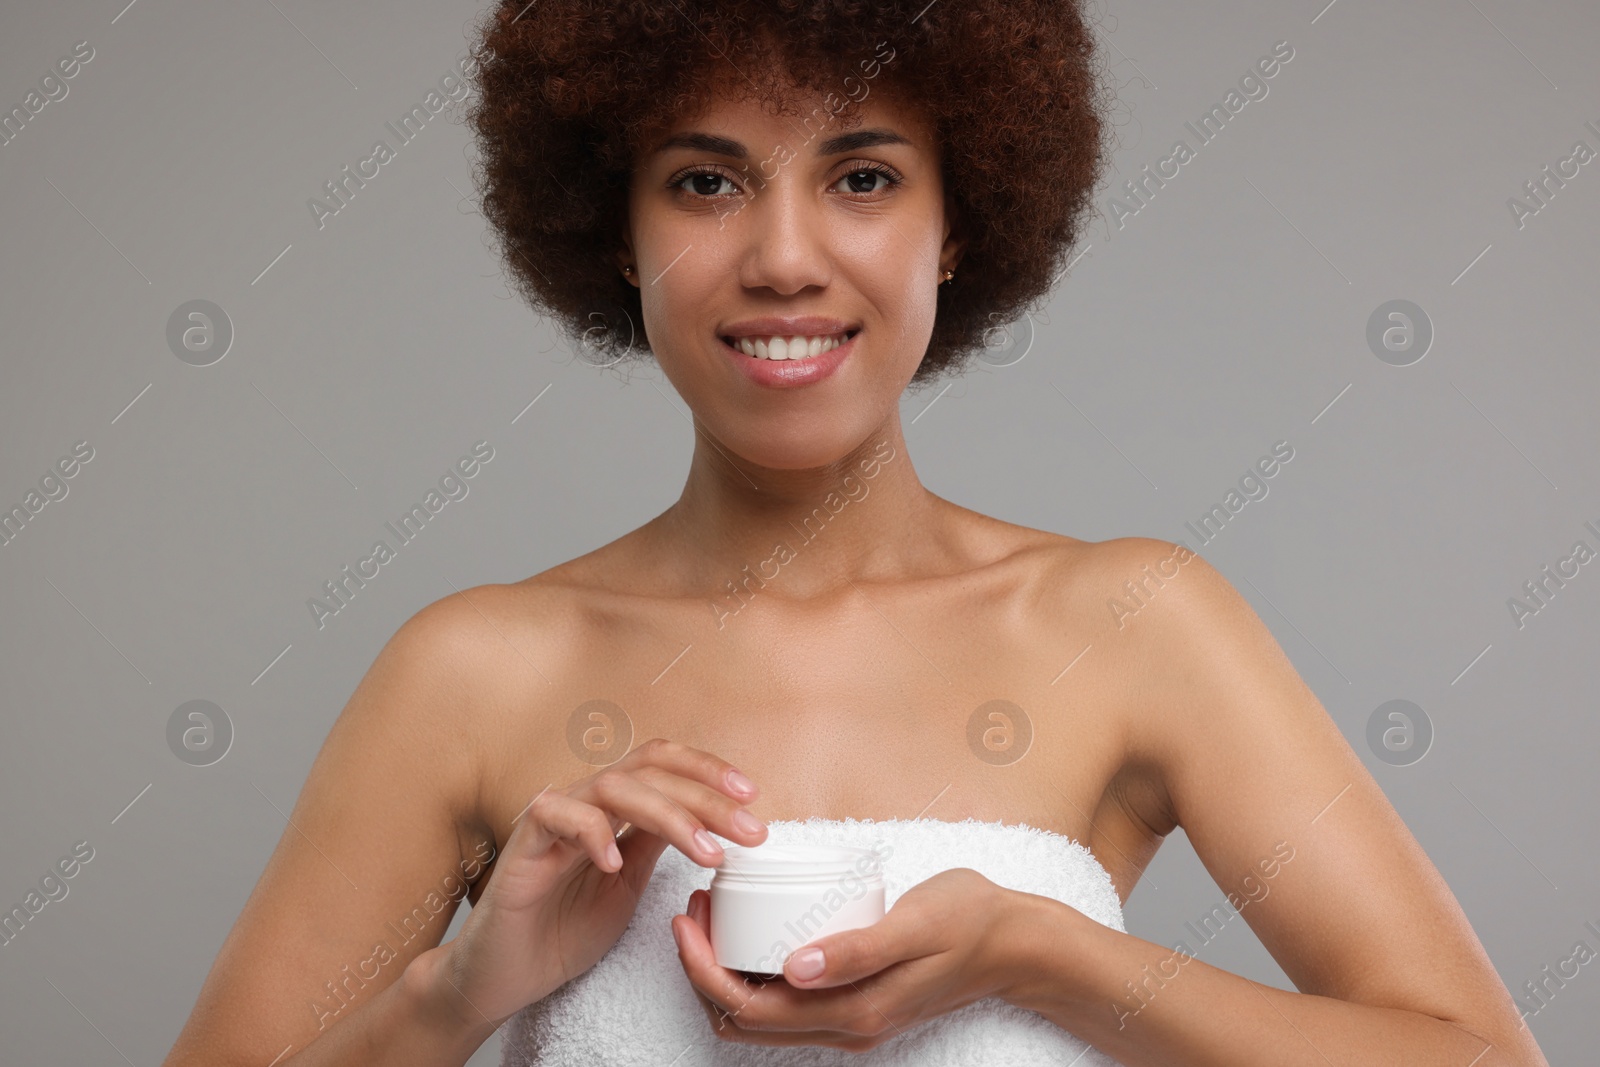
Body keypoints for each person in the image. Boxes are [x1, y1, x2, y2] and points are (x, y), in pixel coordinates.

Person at [161, 1, 1550, 1064]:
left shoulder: (1131, 626)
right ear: (614, 230)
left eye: (864, 178)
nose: (782, 254)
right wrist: (461, 997)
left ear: (959, 226)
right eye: (705, 181)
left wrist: (1044, 957)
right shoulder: (473, 674)